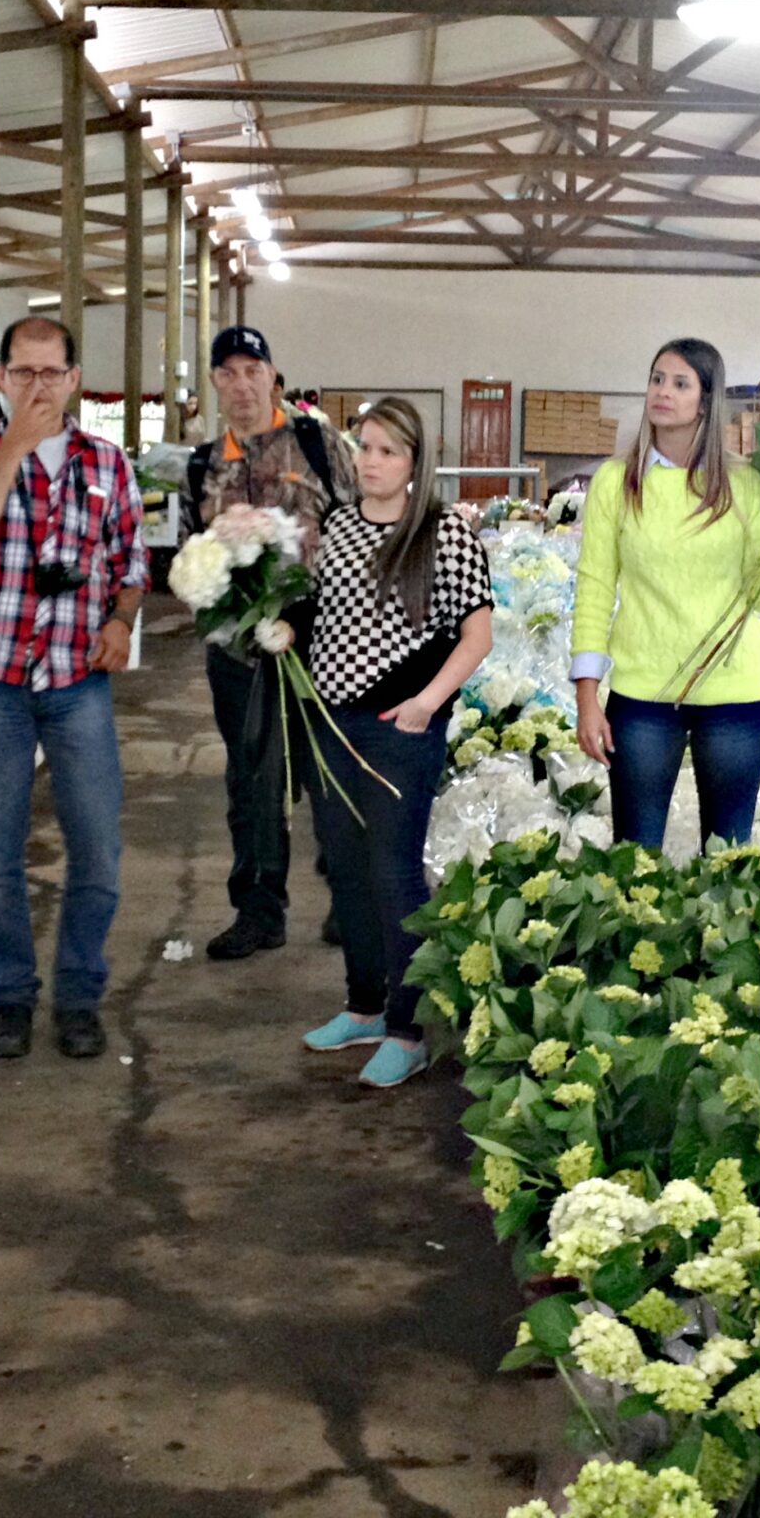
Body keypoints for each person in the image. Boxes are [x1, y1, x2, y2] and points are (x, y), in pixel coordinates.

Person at [0, 317, 146, 1065]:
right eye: (21, 374)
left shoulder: (108, 463)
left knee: (98, 850)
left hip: (77, 681)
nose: (37, 387)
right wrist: (14, 446)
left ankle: (80, 996)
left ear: (75, 379)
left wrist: (120, 620)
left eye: (51, 373)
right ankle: (12, 998)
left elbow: (130, 563)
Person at [297, 398, 492, 1089]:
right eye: (364, 448)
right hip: (335, 724)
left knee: (394, 872)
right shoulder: (340, 525)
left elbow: (477, 635)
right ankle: (364, 1004)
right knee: (345, 869)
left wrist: (426, 705)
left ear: (415, 463)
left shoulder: (443, 535)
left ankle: (409, 1029)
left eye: (388, 451)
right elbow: (323, 612)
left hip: (400, 728)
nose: (371, 462)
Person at [570, 338, 760, 851]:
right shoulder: (616, 482)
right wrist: (587, 696)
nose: (662, 392)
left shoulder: (745, 485)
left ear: (705, 401)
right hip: (643, 696)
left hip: (734, 696)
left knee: (729, 860)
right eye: (657, 379)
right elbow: (595, 587)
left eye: (680, 383)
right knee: (633, 857)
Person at [183, 324, 357, 960]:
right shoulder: (205, 465)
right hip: (238, 654)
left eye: (251, 370)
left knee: (330, 773)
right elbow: (191, 553)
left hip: (320, 645)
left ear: (272, 376)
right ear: (214, 384)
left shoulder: (318, 443)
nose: (241, 384)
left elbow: (362, 524)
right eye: (226, 373)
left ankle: (348, 896)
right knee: (251, 783)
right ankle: (259, 910)